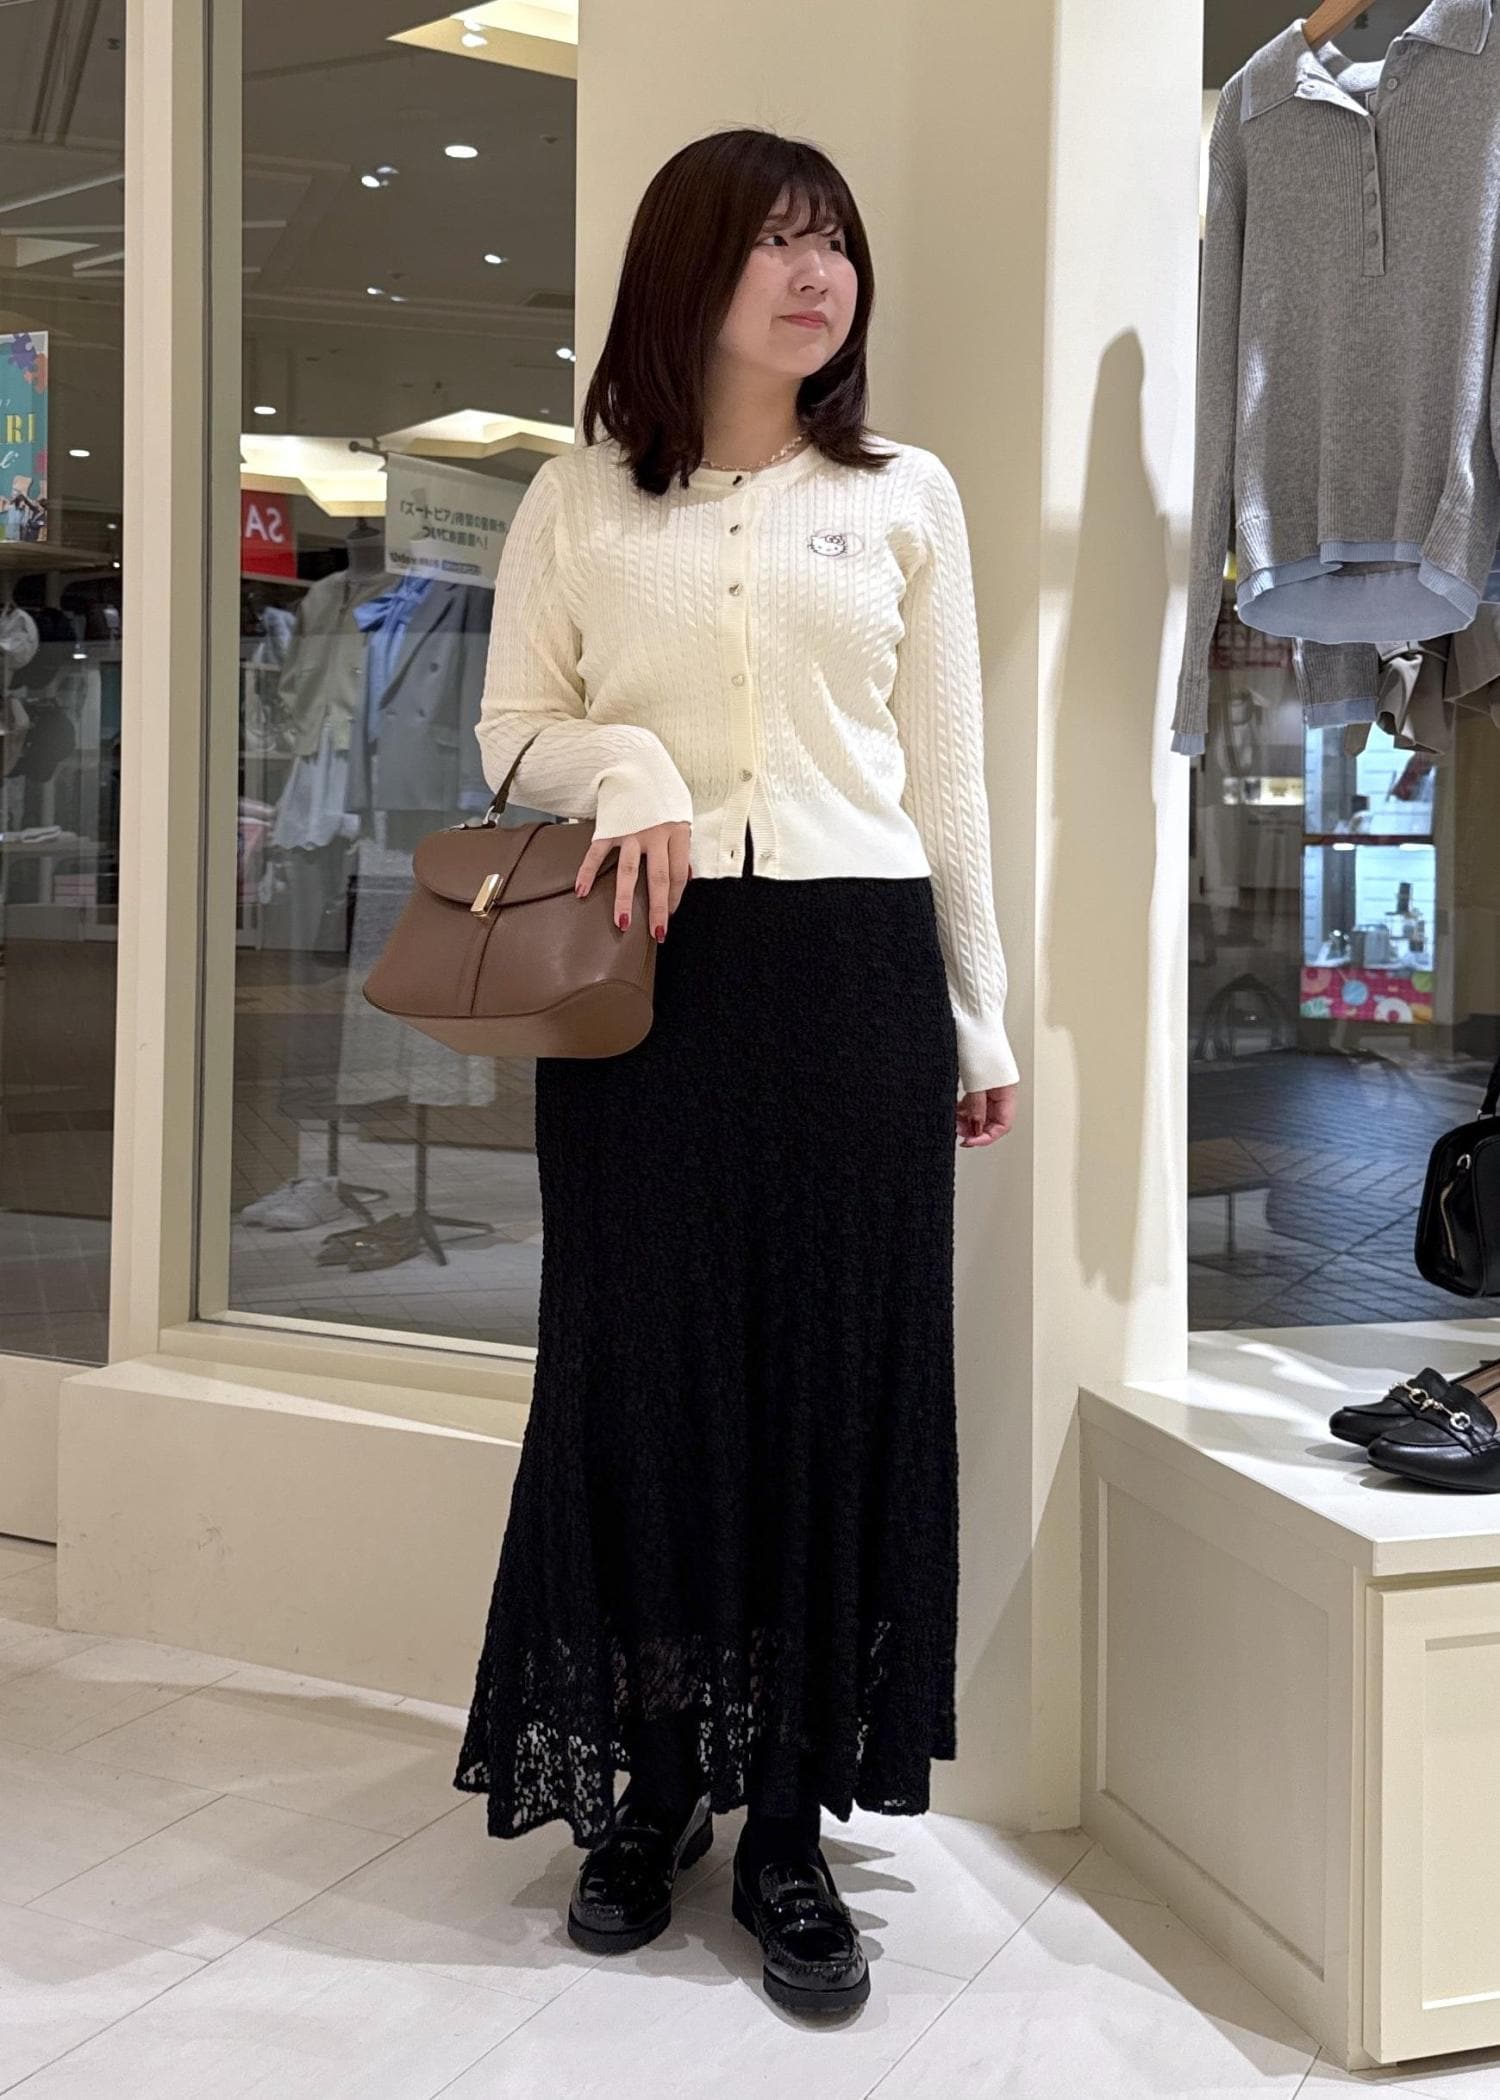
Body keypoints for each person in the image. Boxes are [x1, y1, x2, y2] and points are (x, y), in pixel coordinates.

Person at [452, 124, 1021, 2018]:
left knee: (833, 1389)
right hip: (649, 979)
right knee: (644, 1376)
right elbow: (510, 729)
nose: (816, 273)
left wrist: (980, 1012)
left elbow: (949, 781)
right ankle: (654, 1785)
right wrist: (632, 769)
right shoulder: (578, 500)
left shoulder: (904, 494)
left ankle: (785, 1821)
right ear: (687, 270)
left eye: (834, 242)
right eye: (776, 240)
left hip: (858, 980)